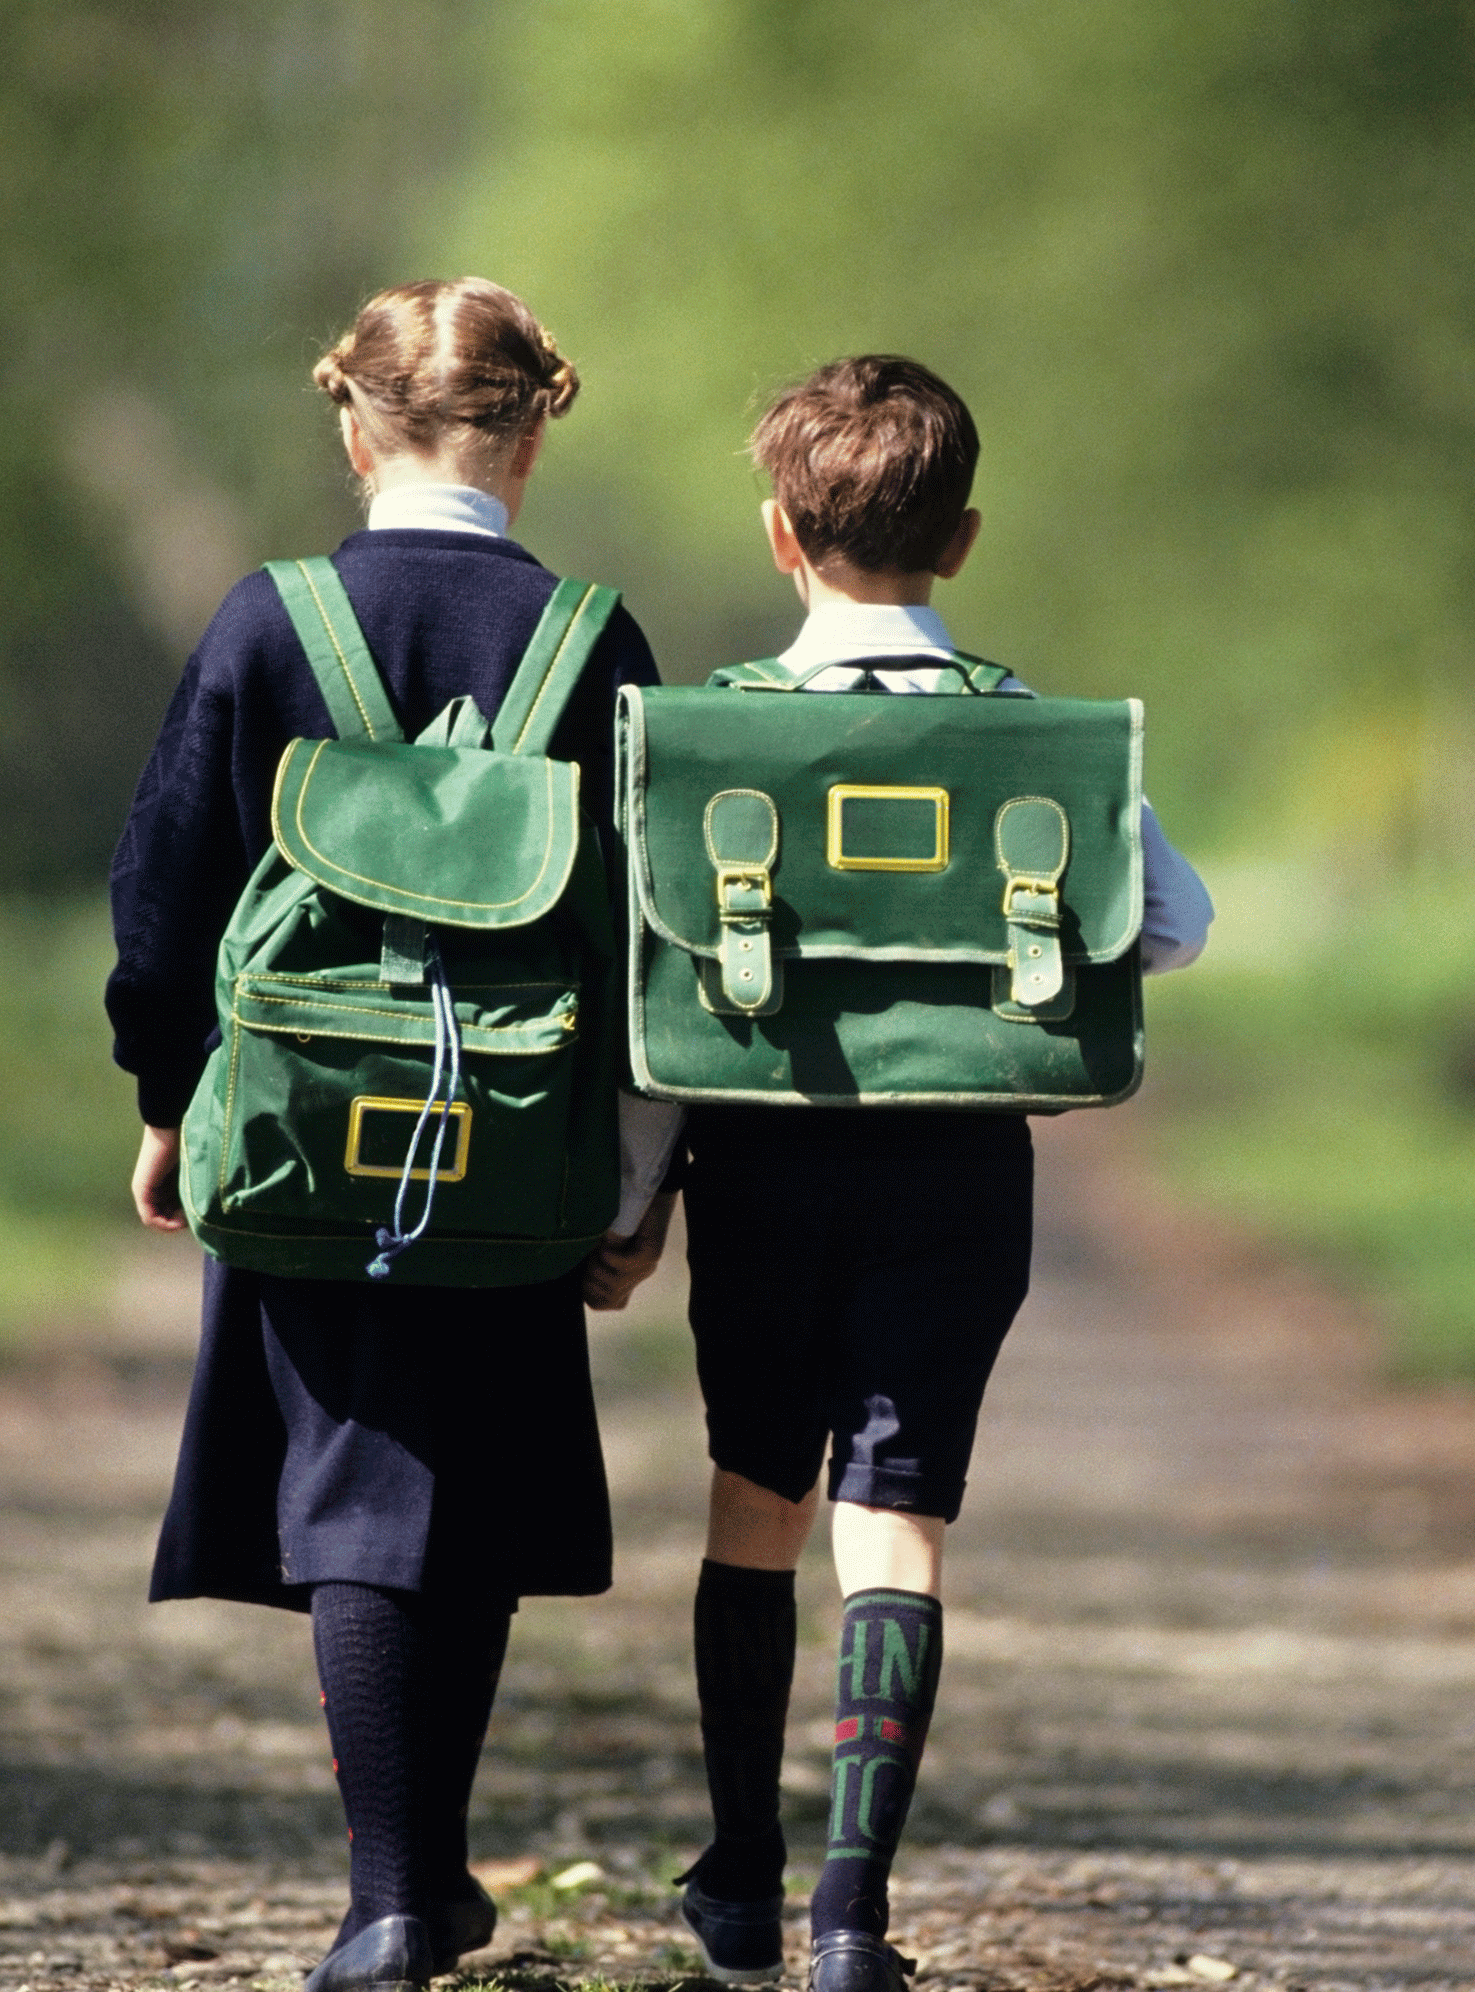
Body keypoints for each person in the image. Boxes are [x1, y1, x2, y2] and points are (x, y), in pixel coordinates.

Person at [587, 356, 1212, 1992]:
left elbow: (666, 1017)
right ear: (968, 540)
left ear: (780, 537)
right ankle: (854, 1920)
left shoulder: (715, 739)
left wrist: (633, 1210)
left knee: (753, 1503)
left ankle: (738, 1878)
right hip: (959, 1185)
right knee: (899, 1523)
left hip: (766, 1165)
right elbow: (1177, 925)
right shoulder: (1039, 742)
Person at [107, 278, 675, 1992]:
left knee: (352, 1489)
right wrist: (637, 1188)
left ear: (350, 427)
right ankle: (423, 1877)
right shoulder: (594, 637)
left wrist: (166, 1100)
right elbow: (655, 944)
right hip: (519, 1139)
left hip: (300, 1130)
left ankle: (393, 1894)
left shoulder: (268, 625)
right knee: (472, 1494)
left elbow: (164, 892)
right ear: (538, 427)